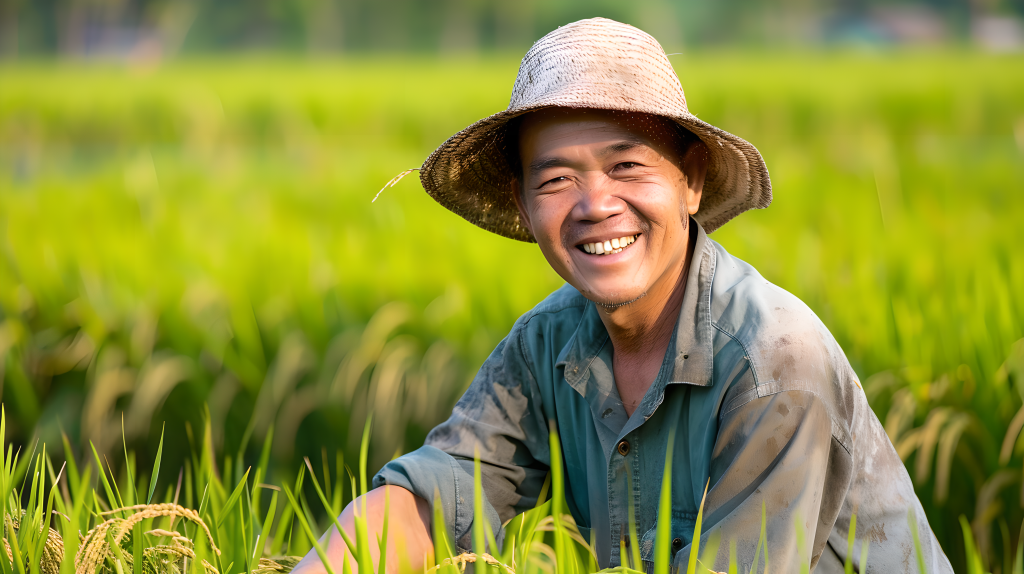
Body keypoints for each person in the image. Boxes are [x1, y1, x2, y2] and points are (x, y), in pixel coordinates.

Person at [293, 17, 953, 573]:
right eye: (556, 180)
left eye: (627, 166)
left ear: (690, 182)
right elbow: (433, 496)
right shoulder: (547, 345)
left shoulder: (774, 360)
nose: (596, 205)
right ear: (523, 206)